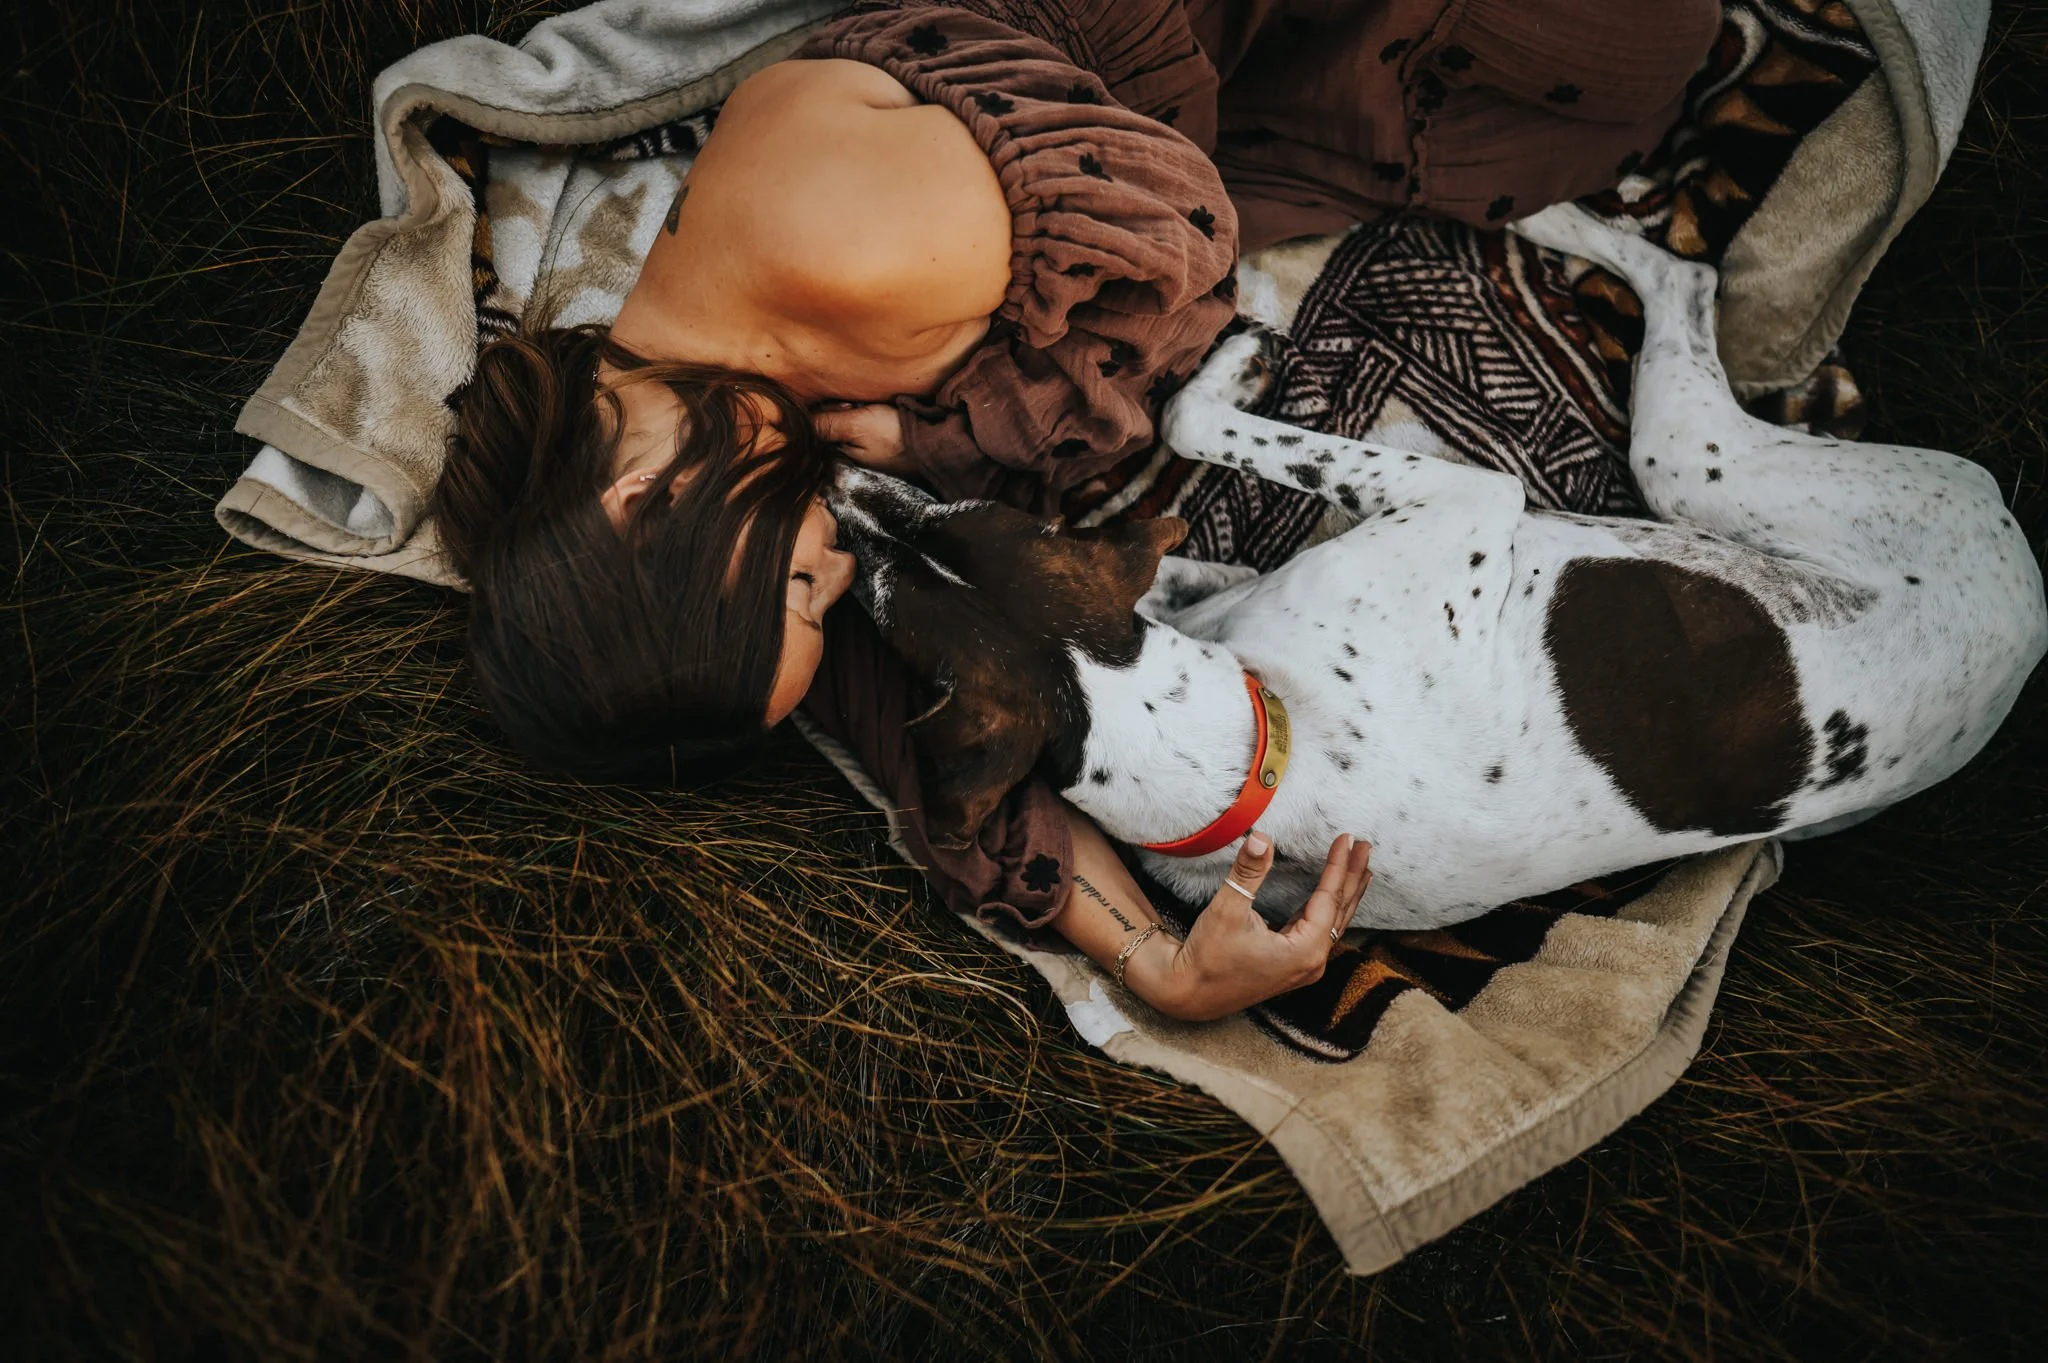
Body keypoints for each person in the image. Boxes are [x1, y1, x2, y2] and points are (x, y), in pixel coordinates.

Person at [432, 1, 1721, 1020]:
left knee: (1637, 51)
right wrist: (1154, 959)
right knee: (1575, 106)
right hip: (1197, 113)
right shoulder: (719, 462)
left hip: (1161, 66)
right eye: (822, 601)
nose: (843, 567)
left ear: (642, 501)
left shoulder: (846, 255)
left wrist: (952, 429)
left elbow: (1183, 256)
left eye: (802, 588)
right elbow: (912, 739)